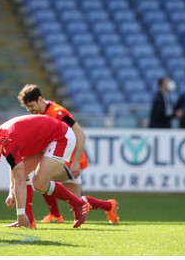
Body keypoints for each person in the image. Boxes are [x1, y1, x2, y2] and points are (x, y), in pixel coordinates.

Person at [15, 84, 119, 225]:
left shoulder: (58, 113)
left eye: (32, 105)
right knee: (78, 201)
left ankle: (54, 215)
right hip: (63, 158)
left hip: (71, 161)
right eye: (28, 108)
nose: (31, 110)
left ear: (40, 99)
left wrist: (76, 161)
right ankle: (109, 206)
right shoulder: (41, 115)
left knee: (40, 178)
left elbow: (80, 135)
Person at [0, 114, 90, 228]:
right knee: (23, 173)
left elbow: (17, 174)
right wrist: (11, 190)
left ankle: (79, 204)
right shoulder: (1, 135)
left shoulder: (6, 141)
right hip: (46, 139)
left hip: (61, 137)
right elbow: (14, 166)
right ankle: (28, 222)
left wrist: (20, 213)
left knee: (39, 183)